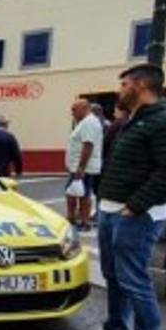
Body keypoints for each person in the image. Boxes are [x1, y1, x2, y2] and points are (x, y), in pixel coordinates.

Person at [74, 64, 166, 330]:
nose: (119, 90)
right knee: (114, 276)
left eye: (124, 84)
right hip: (113, 210)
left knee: (134, 279)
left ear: (140, 85)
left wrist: (135, 206)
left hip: (138, 214)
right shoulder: (136, 120)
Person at [65, 99, 104, 231]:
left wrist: (81, 168)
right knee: (77, 193)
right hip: (79, 167)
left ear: (84, 108)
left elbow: (88, 146)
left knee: (82, 194)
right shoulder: (85, 122)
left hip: (83, 168)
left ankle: (83, 221)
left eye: (74, 109)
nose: (72, 113)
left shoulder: (89, 123)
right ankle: (76, 218)